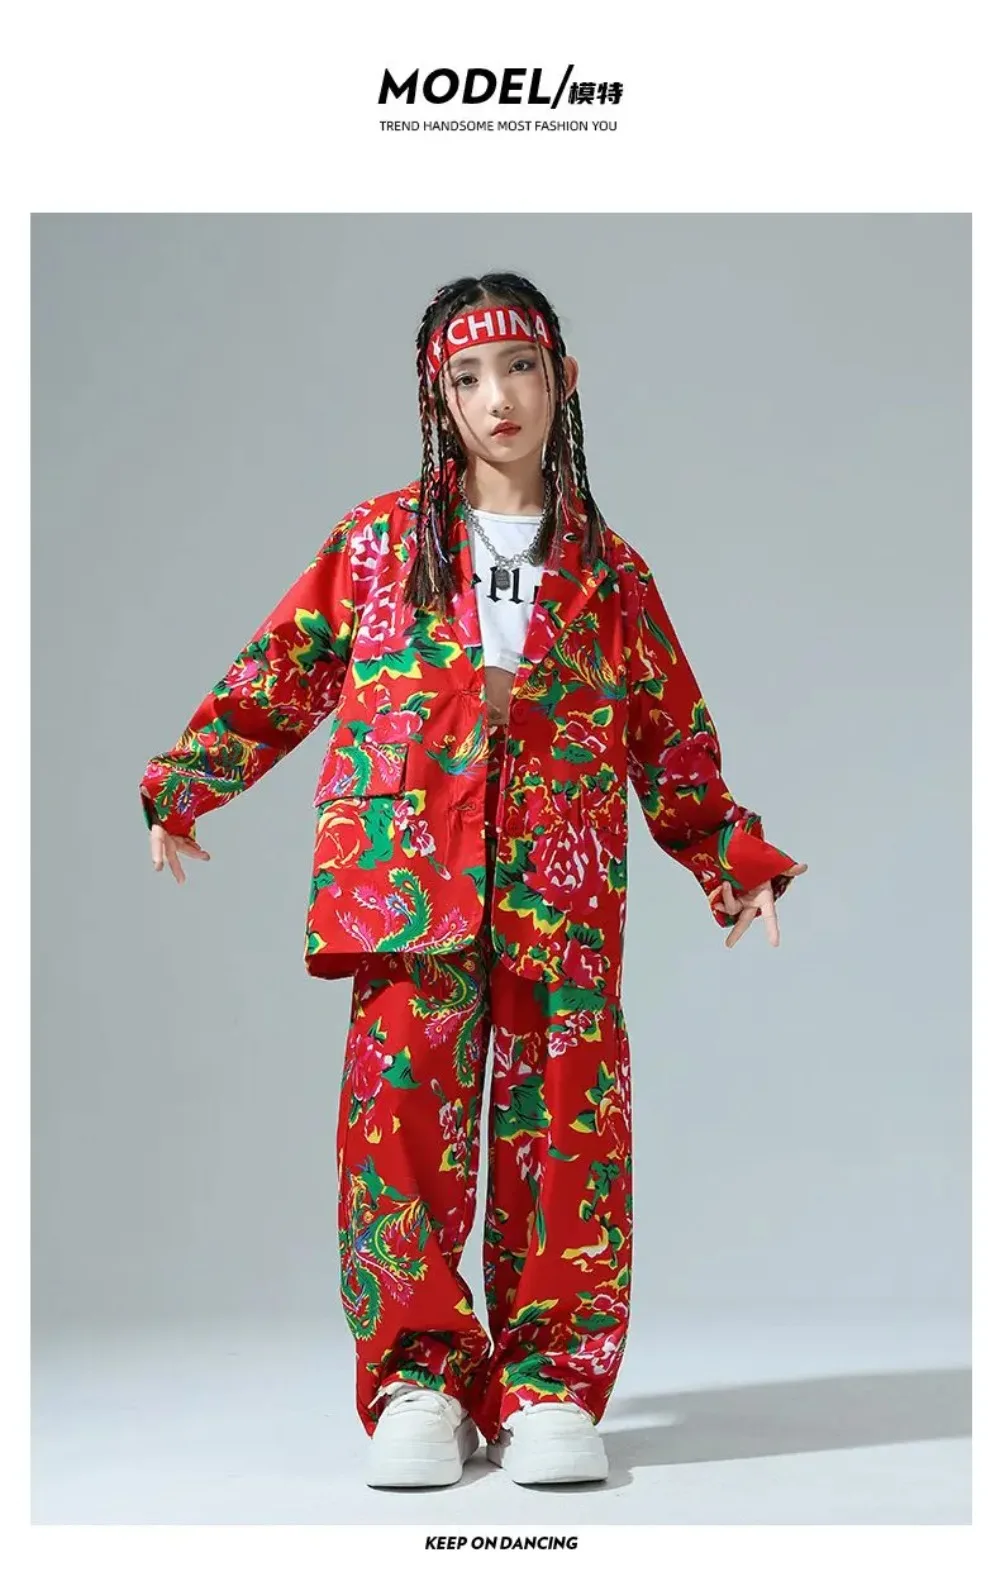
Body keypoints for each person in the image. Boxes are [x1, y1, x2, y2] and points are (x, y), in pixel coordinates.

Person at [140, 271, 807, 1489]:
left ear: (563, 379)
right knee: (397, 1129)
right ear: (435, 399)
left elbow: (669, 736)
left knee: (568, 1128)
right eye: (466, 376)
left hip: (559, 879)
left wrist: (731, 858)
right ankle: (420, 1379)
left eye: (520, 367)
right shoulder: (378, 543)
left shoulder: (612, 575)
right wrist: (187, 779)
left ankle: (550, 1383)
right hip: (409, 874)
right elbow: (282, 668)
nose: (497, 397)